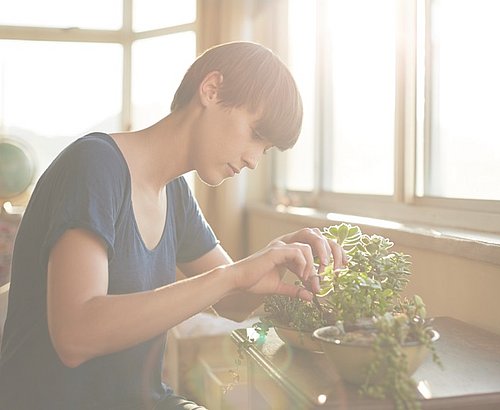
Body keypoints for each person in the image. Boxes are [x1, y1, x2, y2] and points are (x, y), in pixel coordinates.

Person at [0, 41, 346, 410]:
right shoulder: (94, 167)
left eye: (266, 149)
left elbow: (232, 300)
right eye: (256, 134)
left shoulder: (175, 194)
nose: (253, 160)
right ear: (211, 90)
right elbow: (75, 336)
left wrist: (273, 262)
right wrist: (232, 275)